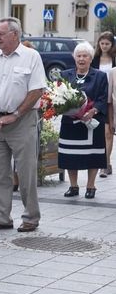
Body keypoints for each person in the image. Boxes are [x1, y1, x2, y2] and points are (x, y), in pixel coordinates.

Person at [0, 17, 46, 232]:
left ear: (14, 34)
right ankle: (2, 217)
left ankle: (30, 217)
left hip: (22, 121)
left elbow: (37, 90)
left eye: (0, 34)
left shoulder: (31, 57)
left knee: (26, 171)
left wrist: (16, 115)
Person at [59, 43, 107, 199]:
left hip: (91, 123)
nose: (81, 59)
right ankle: (73, 186)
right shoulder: (65, 75)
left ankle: (90, 186)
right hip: (70, 123)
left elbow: (102, 97)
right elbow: (58, 97)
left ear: (91, 58)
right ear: (74, 57)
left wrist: (93, 111)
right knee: (70, 155)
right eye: (78, 56)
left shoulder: (99, 76)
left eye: (85, 56)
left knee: (92, 155)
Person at [92, 31, 116, 178]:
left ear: (112, 45)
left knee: (109, 132)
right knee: (98, 132)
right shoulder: (94, 59)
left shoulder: (115, 59)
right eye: (102, 43)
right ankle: (100, 161)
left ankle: (105, 164)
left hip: (112, 99)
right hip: (98, 98)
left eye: (107, 44)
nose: (105, 46)